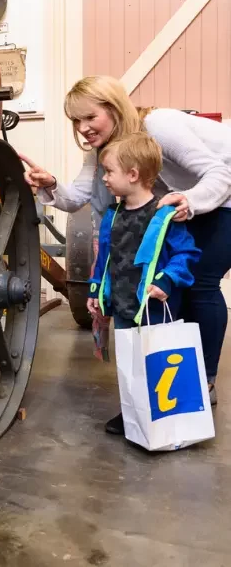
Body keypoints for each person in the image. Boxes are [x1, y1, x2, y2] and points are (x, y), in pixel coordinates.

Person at [21, 75, 231, 406]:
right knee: (176, 287)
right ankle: (178, 375)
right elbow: (77, 196)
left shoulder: (158, 126)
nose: (83, 127)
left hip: (223, 195)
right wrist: (50, 182)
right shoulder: (106, 150)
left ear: (115, 109)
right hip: (192, 200)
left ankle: (205, 380)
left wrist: (189, 201)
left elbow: (220, 175)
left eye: (90, 117)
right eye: (76, 120)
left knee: (201, 283)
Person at [86, 133, 200, 434]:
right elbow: (104, 258)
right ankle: (132, 413)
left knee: (156, 362)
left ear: (133, 174)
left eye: (109, 172)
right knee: (128, 363)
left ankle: (163, 416)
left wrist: (167, 279)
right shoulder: (112, 216)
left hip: (154, 308)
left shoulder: (164, 216)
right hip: (123, 306)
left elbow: (186, 254)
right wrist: (96, 288)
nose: (105, 179)